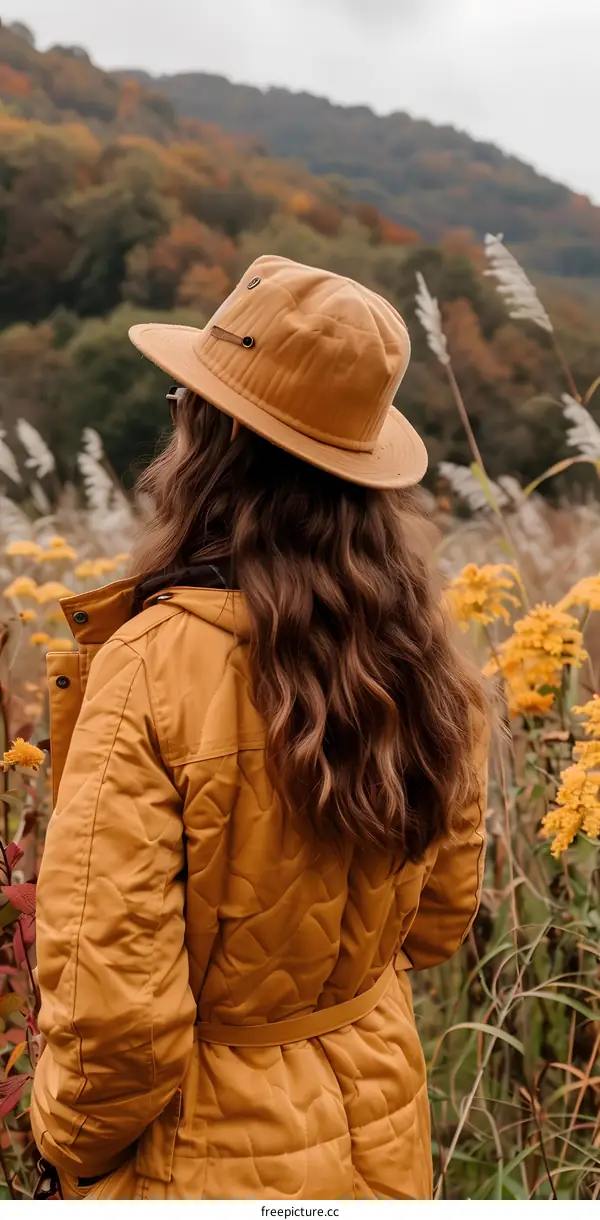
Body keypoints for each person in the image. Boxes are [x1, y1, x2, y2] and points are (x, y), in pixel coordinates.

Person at [31, 255, 488, 1201]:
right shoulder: (428, 659)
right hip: (382, 1122)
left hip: (202, 1157)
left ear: (209, 438)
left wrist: (69, 1155)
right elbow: (442, 921)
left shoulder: (149, 668)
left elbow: (112, 1023)